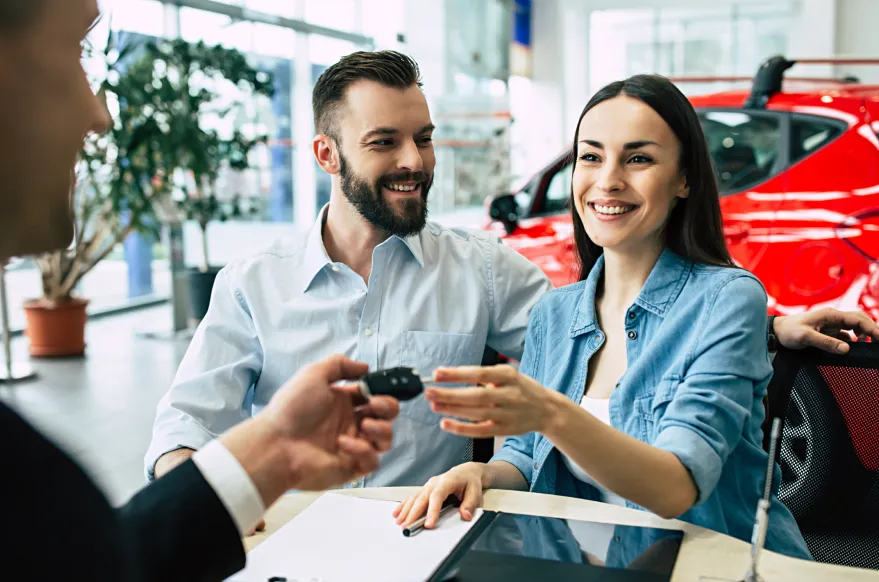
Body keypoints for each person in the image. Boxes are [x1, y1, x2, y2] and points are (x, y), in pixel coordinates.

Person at [147, 49, 879, 516]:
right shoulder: (251, 283)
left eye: (424, 137)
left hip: (427, 541)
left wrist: (769, 325)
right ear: (326, 155)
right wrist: (223, 517)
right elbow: (183, 429)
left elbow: (656, 333)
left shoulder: (485, 271)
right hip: (297, 543)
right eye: (384, 142)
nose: (415, 160)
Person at [393, 74, 879, 560]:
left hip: (705, 569)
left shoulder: (727, 299)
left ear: (685, 178)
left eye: (639, 158)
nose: (608, 180)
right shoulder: (553, 313)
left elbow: (677, 487)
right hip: (578, 567)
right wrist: (478, 472)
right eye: (591, 156)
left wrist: (551, 413)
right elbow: (524, 455)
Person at [0, 1, 399, 581]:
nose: (99, 115)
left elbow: (99, 565)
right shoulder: (254, 279)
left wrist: (273, 452)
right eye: (73, 52)